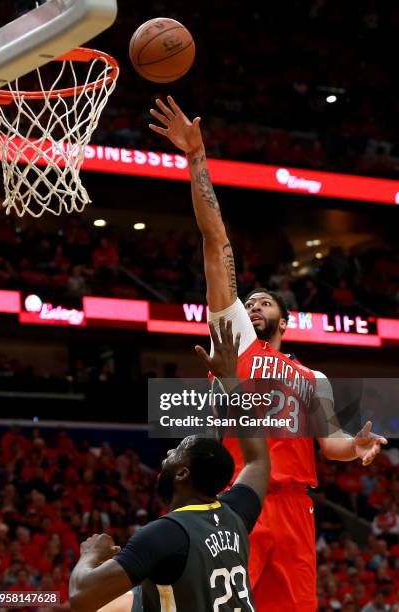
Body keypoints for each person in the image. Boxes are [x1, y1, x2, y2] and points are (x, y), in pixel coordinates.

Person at [149, 96, 388, 611]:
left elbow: (331, 446)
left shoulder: (313, 377)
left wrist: (358, 445)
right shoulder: (235, 337)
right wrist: (196, 157)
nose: (252, 304)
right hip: (243, 497)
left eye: (264, 302)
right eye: (248, 301)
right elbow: (217, 244)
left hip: (297, 510)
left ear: (287, 318)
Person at [69, 319, 270, 612]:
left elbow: (80, 597)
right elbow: (258, 459)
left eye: (176, 451)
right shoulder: (236, 513)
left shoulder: (164, 534)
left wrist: (89, 555)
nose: (167, 452)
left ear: (183, 473)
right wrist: (230, 379)